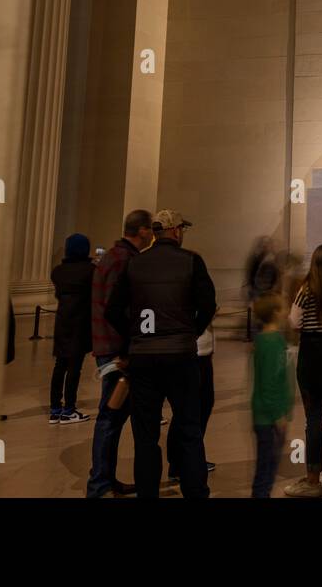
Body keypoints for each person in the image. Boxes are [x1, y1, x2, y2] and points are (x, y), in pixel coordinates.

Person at [106, 209, 216, 499]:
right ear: (176, 231)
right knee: (190, 429)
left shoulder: (135, 264)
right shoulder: (192, 261)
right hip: (181, 355)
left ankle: (148, 494)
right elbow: (208, 305)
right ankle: (195, 492)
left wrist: (135, 335)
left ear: (155, 232)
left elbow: (112, 310)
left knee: (145, 435)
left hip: (144, 358)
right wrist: (190, 331)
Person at [86, 209, 152, 498]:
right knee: (109, 420)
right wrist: (127, 350)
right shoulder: (124, 260)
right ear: (143, 231)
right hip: (116, 350)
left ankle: (106, 480)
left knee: (112, 418)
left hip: (110, 346)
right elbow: (118, 310)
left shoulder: (114, 256)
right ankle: (99, 484)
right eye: (150, 229)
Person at [283, 244, 322, 497]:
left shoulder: (306, 289)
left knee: (314, 419)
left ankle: (311, 479)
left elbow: (294, 321)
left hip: (311, 357)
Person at [250, 292, 293, 497]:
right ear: (275, 313)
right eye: (283, 307)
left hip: (265, 414)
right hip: (269, 417)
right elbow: (270, 383)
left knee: (267, 466)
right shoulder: (272, 343)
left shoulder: (265, 340)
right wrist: (278, 414)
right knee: (266, 469)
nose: (286, 311)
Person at [50, 233, 95, 425]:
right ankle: (69, 408)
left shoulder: (58, 271)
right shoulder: (90, 271)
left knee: (60, 366)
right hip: (80, 323)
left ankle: (55, 408)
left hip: (62, 323)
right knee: (74, 368)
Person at [167, 315, 216, 484]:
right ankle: (180, 463)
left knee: (202, 406)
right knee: (189, 410)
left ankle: (188, 458)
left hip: (201, 350)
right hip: (192, 351)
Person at [243, 236, 281, 342]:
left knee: (263, 318)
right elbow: (253, 276)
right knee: (260, 318)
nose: (269, 246)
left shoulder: (268, 258)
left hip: (264, 292)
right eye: (267, 245)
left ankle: (261, 339)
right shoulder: (260, 259)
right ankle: (259, 339)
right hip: (259, 292)